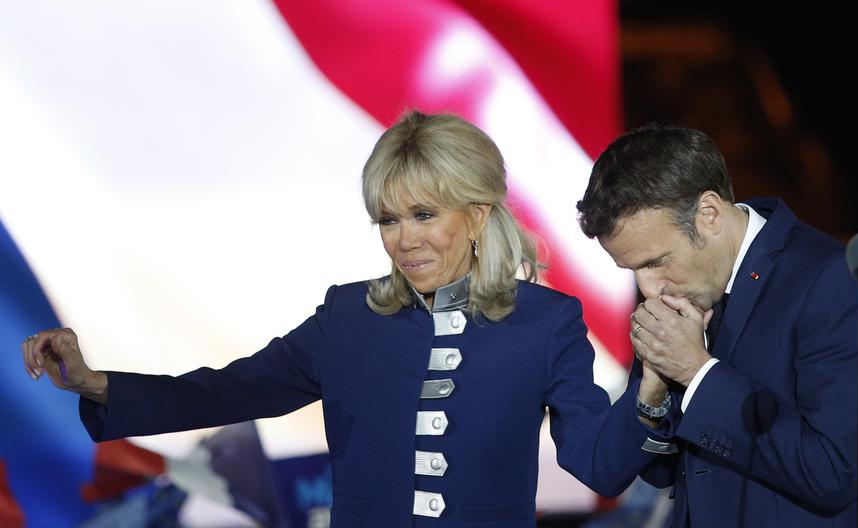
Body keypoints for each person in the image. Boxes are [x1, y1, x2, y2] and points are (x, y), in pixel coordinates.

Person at [21, 111, 670, 527]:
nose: (403, 239)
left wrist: (648, 393)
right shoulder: (346, 318)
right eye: (387, 219)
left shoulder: (547, 322)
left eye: (424, 215)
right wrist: (94, 382)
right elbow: (226, 390)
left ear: (475, 216)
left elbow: (598, 465)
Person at [576, 122, 858, 527]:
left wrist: (695, 372)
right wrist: (653, 393)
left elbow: (834, 470)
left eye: (655, 261)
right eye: (632, 269)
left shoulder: (833, 279)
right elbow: (624, 473)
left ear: (709, 213)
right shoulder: (677, 297)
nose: (648, 287)